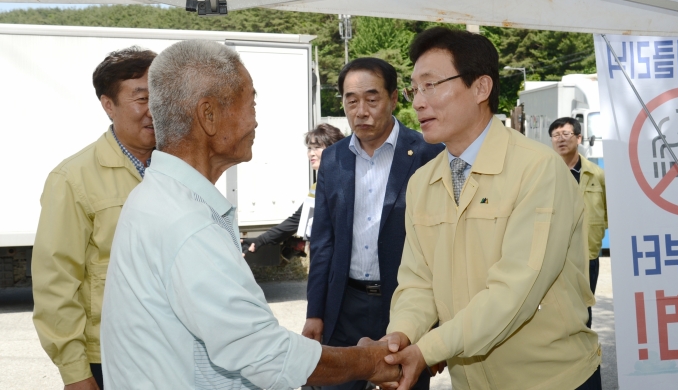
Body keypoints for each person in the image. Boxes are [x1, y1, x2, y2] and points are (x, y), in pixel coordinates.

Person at [100, 40, 400, 389]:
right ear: (208, 115)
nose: (255, 119)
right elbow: (263, 354)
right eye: (251, 102)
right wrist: (369, 361)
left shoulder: (159, 198)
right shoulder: (185, 222)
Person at [378, 27, 601, 390]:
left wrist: (429, 349)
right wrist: (400, 338)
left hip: (552, 380)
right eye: (414, 88)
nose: (418, 101)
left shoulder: (538, 169)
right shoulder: (423, 181)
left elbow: (515, 291)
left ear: (481, 88)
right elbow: (417, 283)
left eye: (431, 85)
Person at [303, 57, 443, 390]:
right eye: (351, 100)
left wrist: (439, 330)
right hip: (345, 303)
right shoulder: (334, 158)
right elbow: (323, 242)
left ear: (394, 98)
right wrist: (315, 312)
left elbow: (443, 247)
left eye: (372, 98)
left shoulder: (427, 153)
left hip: (405, 305)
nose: (361, 111)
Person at [32, 46, 157, 390]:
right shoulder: (72, 178)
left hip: (172, 349)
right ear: (108, 105)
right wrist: (75, 372)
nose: (154, 111)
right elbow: (55, 281)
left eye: (161, 96)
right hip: (109, 356)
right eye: (142, 98)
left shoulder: (180, 168)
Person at [241, 123, 345, 257]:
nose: (311, 154)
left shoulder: (344, 183)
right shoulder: (318, 185)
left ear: (334, 149)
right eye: (309, 148)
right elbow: (297, 220)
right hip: (321, 255)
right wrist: (260, 240)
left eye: (317, 147)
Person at [549, 117, 608, 328]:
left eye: (566, 134)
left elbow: (607, 214)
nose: (560, 140)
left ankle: (589, 360)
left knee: (584, 308)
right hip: (554, 255)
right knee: (555, 310)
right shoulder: (544, 174)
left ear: (578, 138)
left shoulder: (596, 174)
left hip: (587, 255)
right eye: (556, 136)